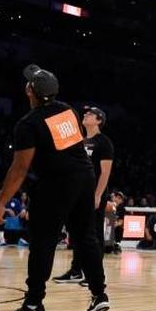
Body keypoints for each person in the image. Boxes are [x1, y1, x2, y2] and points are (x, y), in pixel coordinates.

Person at [0, 64, 108, 311]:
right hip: (84, 177)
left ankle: (33, 304)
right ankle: (99, 294)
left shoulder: (28, 123)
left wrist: (1, 204)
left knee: (43, 242)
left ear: (29, 90)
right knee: (85, 237)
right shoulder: (68, 110)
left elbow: (19, 169)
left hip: (57, 184)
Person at [54, 105, 115, 284]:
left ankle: (95, 275)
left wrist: (97, 195)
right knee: (77, 233)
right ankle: (76, 271)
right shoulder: (79, 140)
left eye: (91, 114)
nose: (86, 114)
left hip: (94, 194)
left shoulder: (104, 142)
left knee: (94, 234)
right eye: (86, 113)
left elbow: (105, 172)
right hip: (78, 193)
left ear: (98, 120)